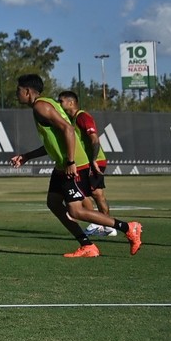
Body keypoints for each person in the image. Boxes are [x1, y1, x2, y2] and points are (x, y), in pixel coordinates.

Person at [9, 74, 141, 257]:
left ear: (27, 91)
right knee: (54, 202)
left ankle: (128, 227)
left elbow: (68, 129)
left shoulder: (41, 106)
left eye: (18, 90)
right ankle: (87, 245)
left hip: (73, 164)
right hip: (62, 165)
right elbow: (54, 142)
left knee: (76, 211)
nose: (16, 94)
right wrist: (26, 157)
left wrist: (71, 161)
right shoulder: (44, 105)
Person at [57, 91, 115, 237]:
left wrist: (93, 160)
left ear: (71, 103)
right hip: (87, 162)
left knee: (95, 194)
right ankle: (103, 224)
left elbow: (94, 139)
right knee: (92, 193)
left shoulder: (82, 116)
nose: (59, 104)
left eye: (61, 101)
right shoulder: (71, 120)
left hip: (95, 161)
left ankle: (105, 225)